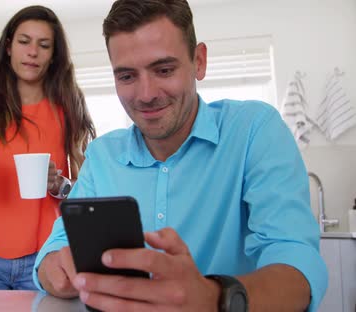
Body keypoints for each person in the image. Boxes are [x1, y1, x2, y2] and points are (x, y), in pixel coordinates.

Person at [32, 0, 327, 311]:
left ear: (198, 61)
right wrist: (54, 268)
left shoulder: (255, 131)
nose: (146, 95)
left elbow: (297, 267)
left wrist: (215, 297)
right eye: (127, 76)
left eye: (164, 70)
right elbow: (56, 248)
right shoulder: (103, 155)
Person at [0, 5, 95, 291]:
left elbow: (86, 192)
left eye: (44, 45)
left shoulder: (68, 108)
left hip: (45, 258)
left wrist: (60, 185)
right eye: (24, 42)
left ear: (54, 56)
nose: (32, 52)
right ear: (8, 47)